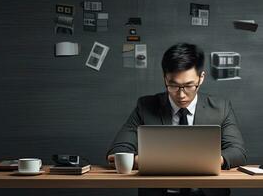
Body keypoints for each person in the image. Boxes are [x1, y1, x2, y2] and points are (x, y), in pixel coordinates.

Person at [106, 43, 247, 196]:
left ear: (201, 78)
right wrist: (160, 162)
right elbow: (117, 152)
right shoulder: (145, 106)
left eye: (189, 85)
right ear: (164, 78)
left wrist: (209, 161)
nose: (181, 95)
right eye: (173, 85)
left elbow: (238, 152)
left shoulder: (221, 108)